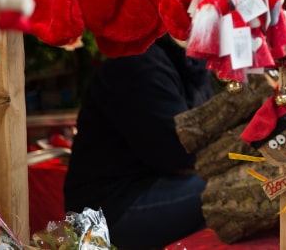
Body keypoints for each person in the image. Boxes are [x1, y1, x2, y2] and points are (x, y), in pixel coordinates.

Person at [64, 34, 214, 249]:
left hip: (145, 192)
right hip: (106, 212)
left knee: (239, 181)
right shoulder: (138, 61)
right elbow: (180, 154)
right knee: (233, 185)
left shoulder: (186, 63)